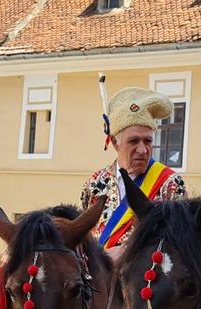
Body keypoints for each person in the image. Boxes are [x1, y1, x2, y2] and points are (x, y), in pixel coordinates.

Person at [80, 84, 186, 254]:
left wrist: (123, 252)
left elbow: (178, 243)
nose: (143, 150)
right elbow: (81, 239)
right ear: (115, 142)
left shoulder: (171, 184)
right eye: (134, 141)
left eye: (148, 141)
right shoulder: (95, 183)